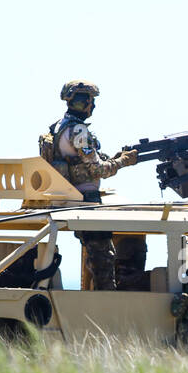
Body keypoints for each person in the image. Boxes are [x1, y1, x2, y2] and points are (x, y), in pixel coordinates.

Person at [46, 80, 138, 290]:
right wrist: (125, 161)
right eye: (90, 101)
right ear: (83, 102)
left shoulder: (60, 127)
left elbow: (85, 161)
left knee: (96, 257)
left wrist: (113, 158)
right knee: (104, 259)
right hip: (86, 201)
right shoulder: (79, 131)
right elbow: (98, 171)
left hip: (70, 197)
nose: (93, 106)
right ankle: (106, 303)